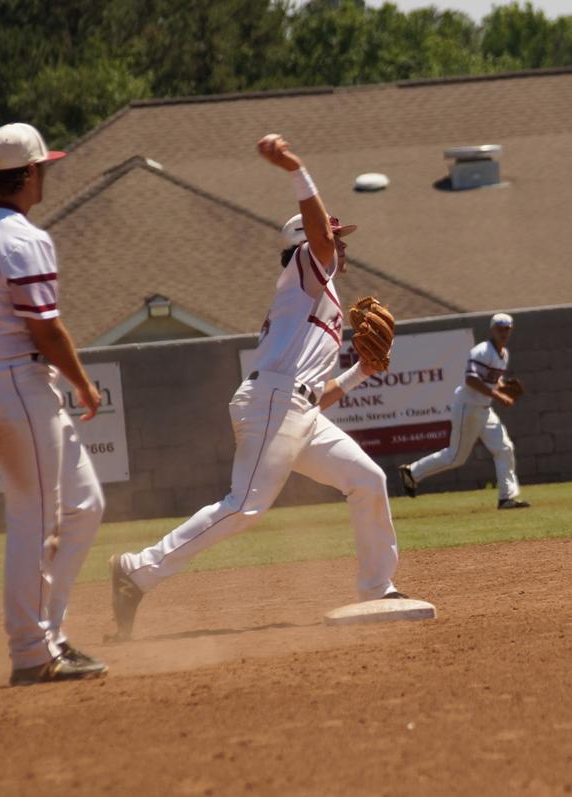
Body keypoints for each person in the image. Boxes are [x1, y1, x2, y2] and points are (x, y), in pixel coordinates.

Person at [109, 133, 411, 639]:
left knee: (367, 480)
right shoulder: (307, 271)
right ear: (304, 245)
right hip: (274, 403)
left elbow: (317, 394)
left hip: (293, 407)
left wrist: (361, 370)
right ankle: (137, 571)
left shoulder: (314, 298)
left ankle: (376, 587)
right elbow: (316, 236)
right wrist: (296, 168)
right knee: (244, 508)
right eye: (333, 236)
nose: (340, 242)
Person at [0, 123, 108, 685]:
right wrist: (83, 384)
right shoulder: (23, 237)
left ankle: (49, 635)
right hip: (18, 386)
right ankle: (30, 652)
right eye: (43, 167)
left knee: (83, 504)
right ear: (28, 173)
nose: (46, 174)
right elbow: (45, 331)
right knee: (34, 520)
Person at [399, 314, 530, 509]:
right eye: (500, 328)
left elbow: (492, 380)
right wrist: (498, 395)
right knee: (455, 457)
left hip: (485, 410)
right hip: (467, 407)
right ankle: (412, 472)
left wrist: (502, 387)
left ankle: (506, 497)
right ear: (492, 330)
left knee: (504, 449)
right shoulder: (481, 352)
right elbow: (471, 379)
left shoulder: (503, 354)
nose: (504, 332)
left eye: (507, 328)